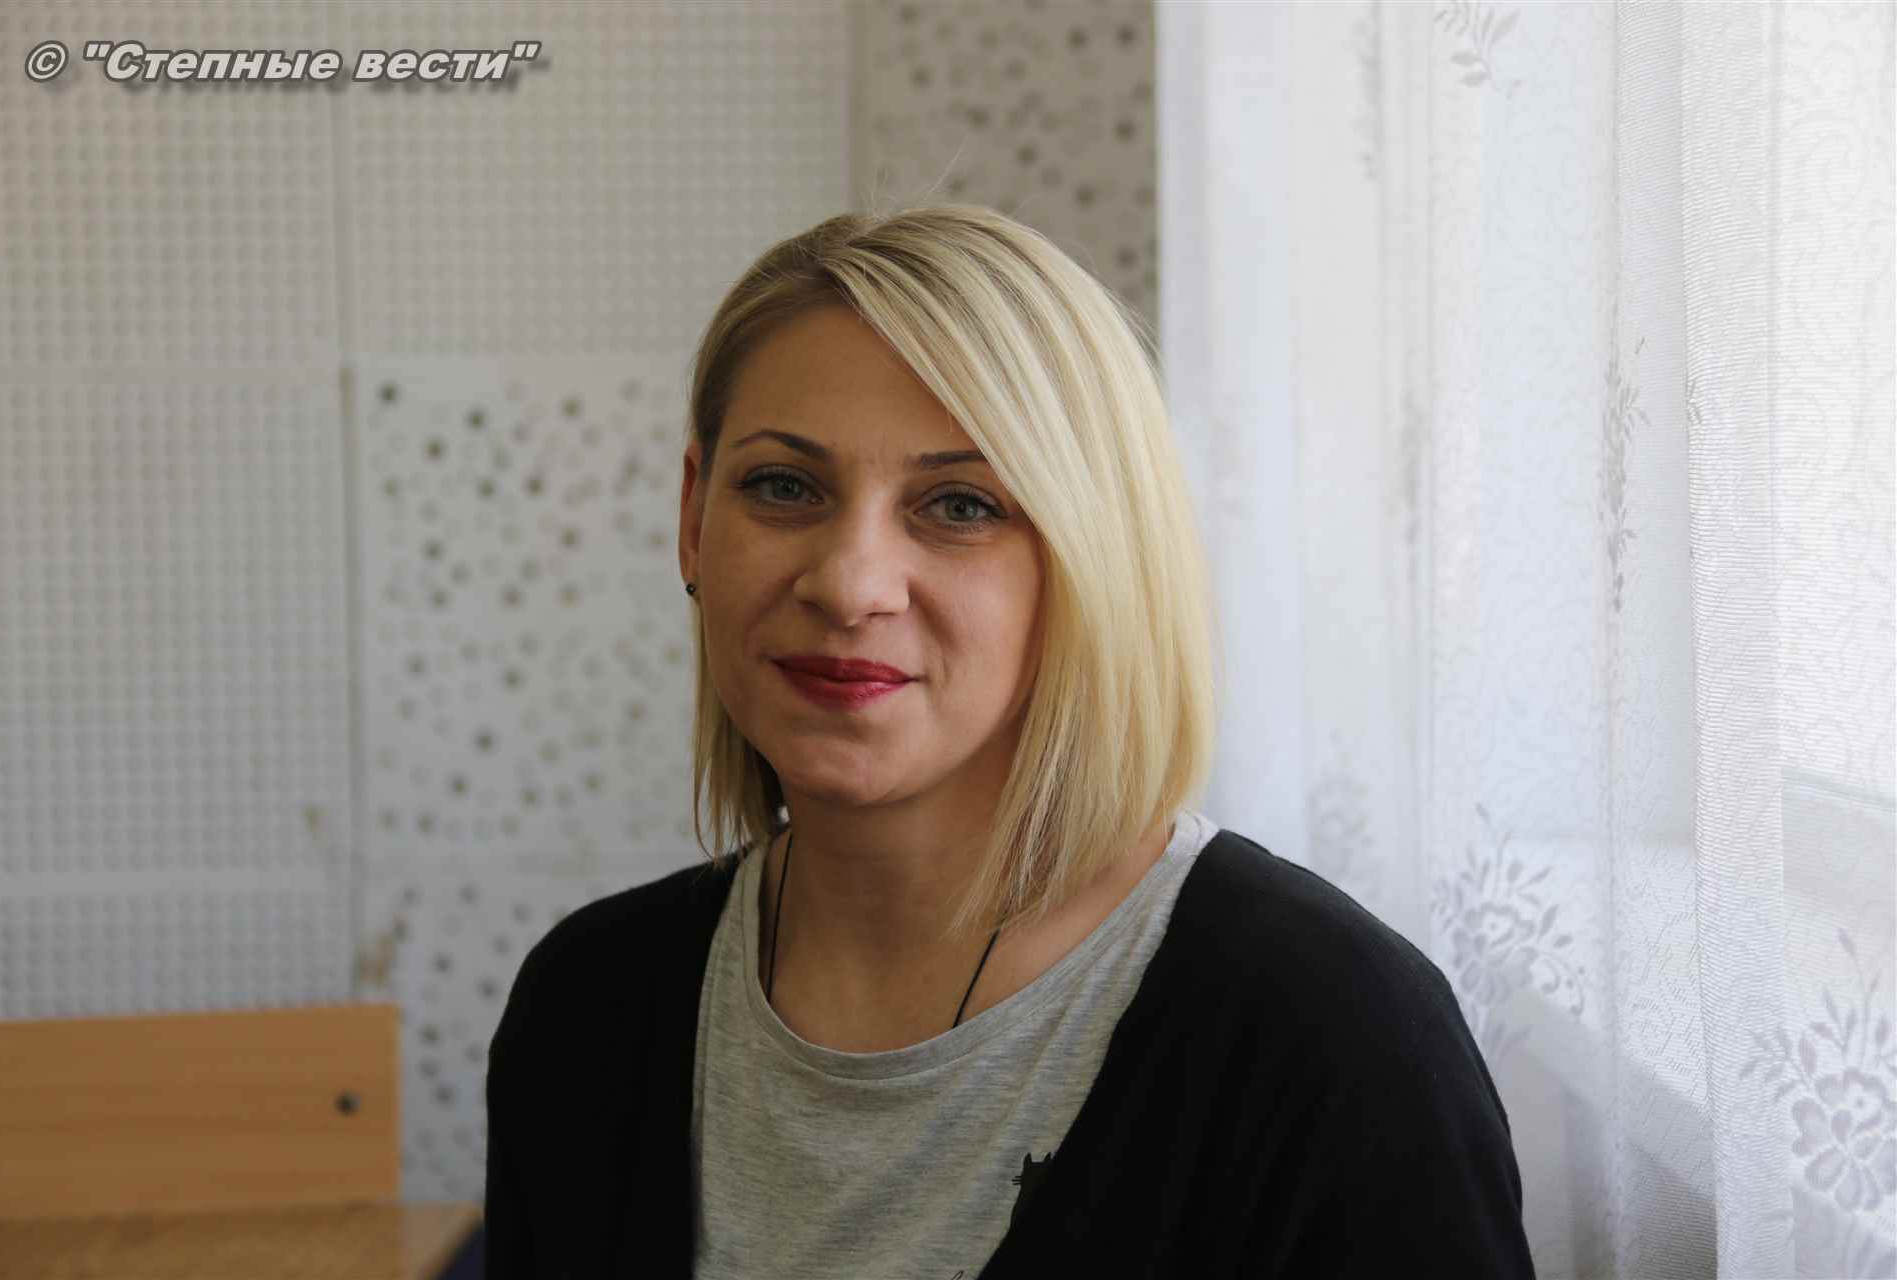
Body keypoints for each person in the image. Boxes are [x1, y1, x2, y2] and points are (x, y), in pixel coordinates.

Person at [483, 204, 1535, 1278]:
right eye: (785, 486)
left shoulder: (1335, 1037)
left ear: (1094, 557)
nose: (850, 584)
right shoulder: (587, 1005)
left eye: (959, 505)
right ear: (692, 519)